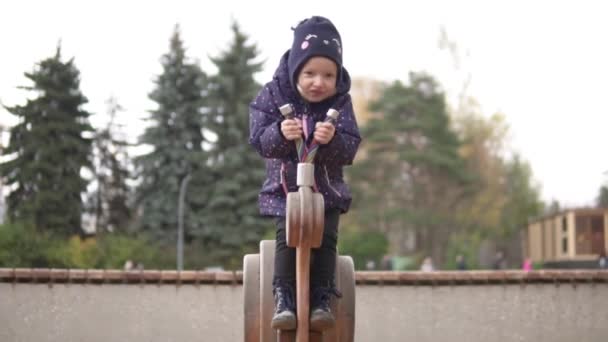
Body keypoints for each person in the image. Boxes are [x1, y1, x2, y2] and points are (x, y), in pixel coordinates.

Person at [249, 16, 361, 331]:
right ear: (296, 70)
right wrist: (279, 132)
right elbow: (259, 140)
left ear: (337, 76)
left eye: (328, 75)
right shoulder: (274, 96)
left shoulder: (342, 103)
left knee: (327, 239)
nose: (318, 82)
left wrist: (333, 140)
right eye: (310, 73)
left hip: (326, 191)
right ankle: (284, 296)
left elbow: (351, 147)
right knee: (287, 238)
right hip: (286, 191)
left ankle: (323, 297)